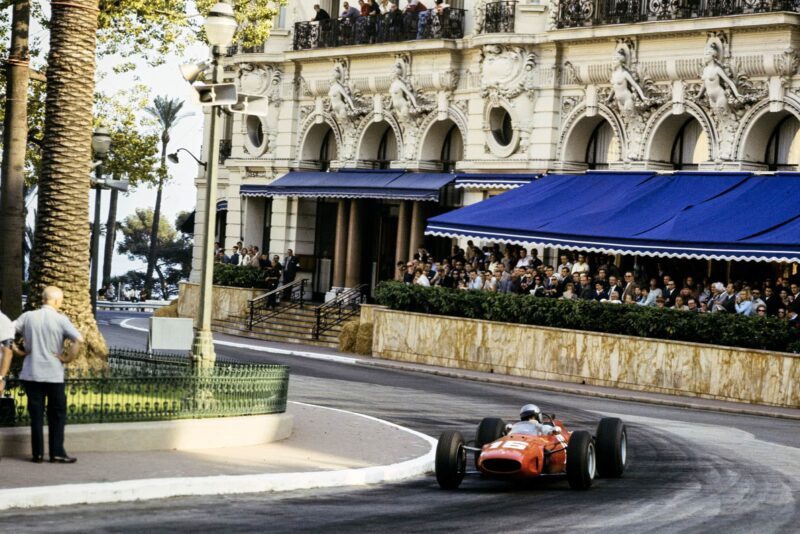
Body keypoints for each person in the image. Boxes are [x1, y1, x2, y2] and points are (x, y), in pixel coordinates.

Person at [14, 286, 84, 463]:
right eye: (60, 301)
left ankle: (37, 454)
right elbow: (78, 340)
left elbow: (7, 332)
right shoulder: (61, 319)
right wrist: (67, 358)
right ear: (55, 301)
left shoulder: (28, 317)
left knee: (36, 415)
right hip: (53, 374)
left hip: (31, 373)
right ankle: (57, 452)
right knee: (57, 414)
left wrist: (18, 351)